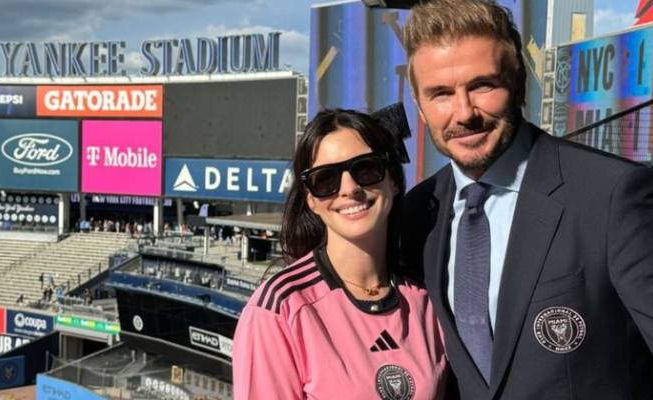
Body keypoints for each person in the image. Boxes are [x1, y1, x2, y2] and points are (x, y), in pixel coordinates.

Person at [400, 0, 653, 398]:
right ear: (420, 105)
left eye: (482, 85)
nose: (464, 113)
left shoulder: (612, 194)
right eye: (441, 94)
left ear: (517, 84)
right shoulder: (418, 213)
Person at [233, 108, 447, 399]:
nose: (350, 189)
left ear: (394, 180)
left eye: (367, 169)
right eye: (325, 179)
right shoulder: (281, 309)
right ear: (311, 200)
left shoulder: (425, 297)